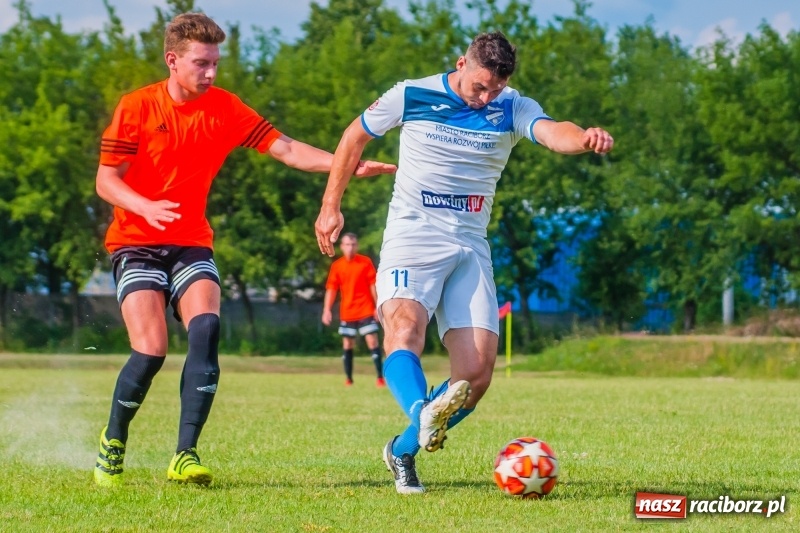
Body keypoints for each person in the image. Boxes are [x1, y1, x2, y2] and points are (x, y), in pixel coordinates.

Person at [92, 12, 395, 488]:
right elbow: (105, 180)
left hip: (191, 242)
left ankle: (185, 455)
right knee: (151, 351)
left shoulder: (225, 108)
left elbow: (287, 148)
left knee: (207, 326)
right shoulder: (137, 107)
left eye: (216, 63)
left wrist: (346, 165)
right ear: (173, 61)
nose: (211, 73)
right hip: (137, 243)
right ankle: (113, 442)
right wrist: (143, 206)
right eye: (201, 63)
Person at [315, 32, 613, 494]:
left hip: (470, 243)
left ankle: (403, 448)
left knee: (476, 375)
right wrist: (330, 204)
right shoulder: (411, 94)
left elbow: (554, 132)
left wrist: (584, 138)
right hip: (413, 234)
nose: (486, 97)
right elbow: (354, 135)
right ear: (461, 63)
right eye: (479, 86)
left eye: (495, 88)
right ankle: (422, 414)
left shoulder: (513, 106)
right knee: (404, 330)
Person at [322, 233, 385, 387]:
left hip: (366, 310)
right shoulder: (337, 266)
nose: (350, 248)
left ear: (357, 246)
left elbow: (373, 285)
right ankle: (349, 379)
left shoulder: (365, 263)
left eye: (353, 244)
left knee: (372, 341)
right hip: (348, 312)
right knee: (348, 344)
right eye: (347, 245)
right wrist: (327, 310)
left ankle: (380, 378)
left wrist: (377, 306)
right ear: (342, 246)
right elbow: (331, 289)